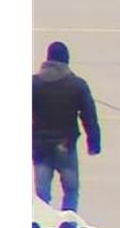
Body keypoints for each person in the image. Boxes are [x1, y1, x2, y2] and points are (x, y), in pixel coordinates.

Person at [33, 41, 101, 212]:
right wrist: (94, 143)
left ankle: (42, 227)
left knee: (41, 194)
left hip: (40, 147)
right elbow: (89, 116)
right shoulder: (77, 84)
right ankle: (68, 226)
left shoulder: (33, 84)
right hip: (66, 145)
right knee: (70, 190)